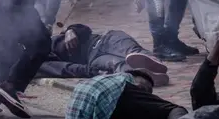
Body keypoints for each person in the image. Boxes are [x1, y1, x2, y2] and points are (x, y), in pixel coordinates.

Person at [37, 23, 170, 86]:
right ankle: (146, 76)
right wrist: (97, 73)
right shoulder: (36, 62)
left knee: (131, 51)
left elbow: (85, 29)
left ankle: (152, 64)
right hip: (94, 58)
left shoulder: (47, 40)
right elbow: (68, 68)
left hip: (106, 39)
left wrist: (71, 30)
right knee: (117, 65)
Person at [66, 69, 188, 119]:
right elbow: (173, 110)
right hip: (113, 101)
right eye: (146, 88)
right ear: (135, 77)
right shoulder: (125, 82)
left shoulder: (93, 81)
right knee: (171, 110)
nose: (145, 92)